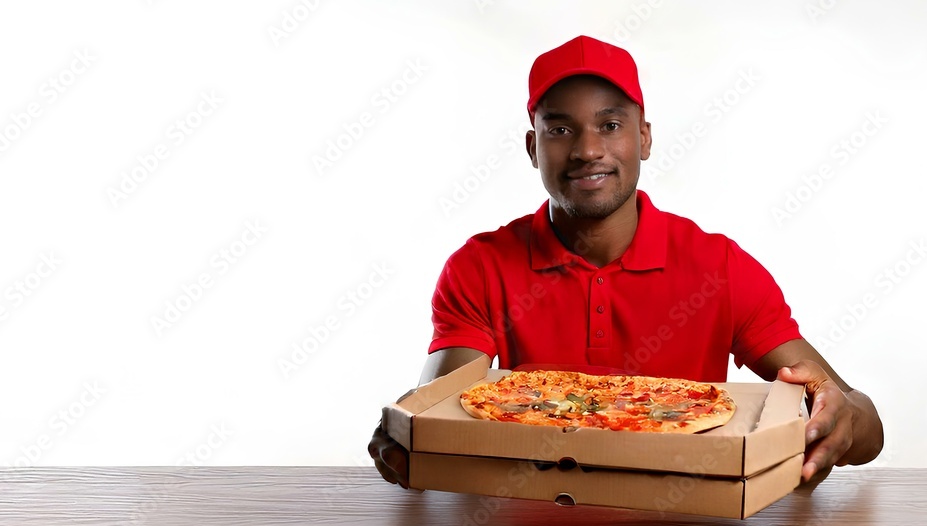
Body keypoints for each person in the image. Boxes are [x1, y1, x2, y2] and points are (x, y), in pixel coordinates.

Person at [369, 35, 883, 488]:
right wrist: (408, 437)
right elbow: (442, 413)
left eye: (610, 124)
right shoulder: (478, 266)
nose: (588, 150)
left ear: (645, 138)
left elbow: (868, 429)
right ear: (532, 148)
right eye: (560, 130)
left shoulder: (720, 267)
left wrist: (840, 420)